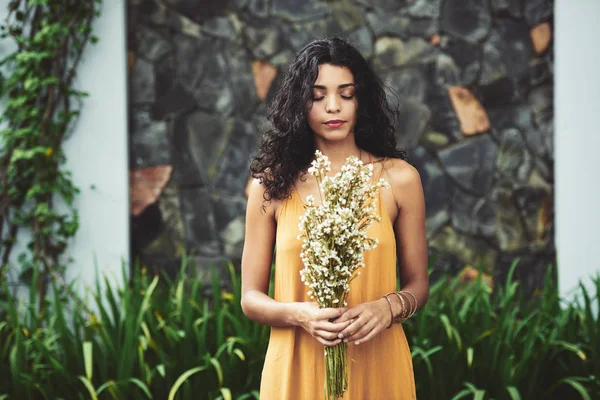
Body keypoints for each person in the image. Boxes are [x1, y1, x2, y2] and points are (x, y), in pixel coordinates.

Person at [241, 36, 429, 399]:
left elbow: (418, 283)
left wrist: (387, 308)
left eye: (346, 94)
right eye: (317, 95)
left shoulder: (400, 179)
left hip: (379, 365)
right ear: (300, 102)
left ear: (362, 100)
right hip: (295, 367)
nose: (332, 107)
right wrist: (301, 315)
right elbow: (250, 297)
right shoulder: (270, 185)